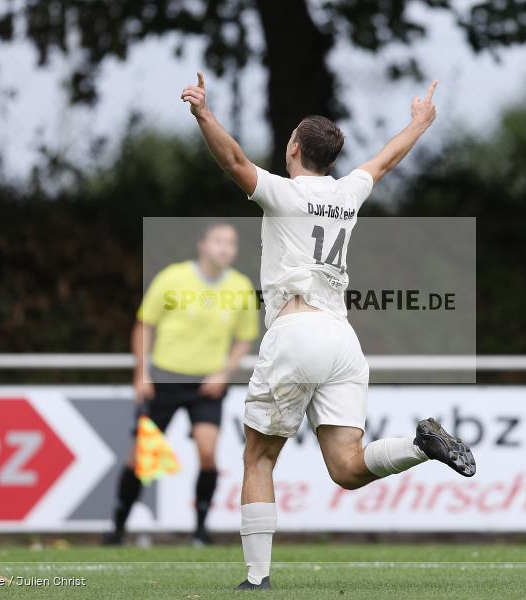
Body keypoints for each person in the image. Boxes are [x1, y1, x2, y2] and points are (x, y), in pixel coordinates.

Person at [180, 72, 476, 590]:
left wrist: (204, 114)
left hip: (295, 333)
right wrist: (419, 122)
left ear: (293, 148)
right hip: (341, 341)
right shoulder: (346, 194)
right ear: (330, 158)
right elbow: (385, 160)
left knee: (258, 456)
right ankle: (421, 446)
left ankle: (257, 578)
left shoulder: (282, 193)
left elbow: (232, 161)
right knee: (347, 468)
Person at [102, 222, 259, 546]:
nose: (224, 248)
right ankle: (116, 528)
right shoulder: (173, 278)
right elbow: (143, 325)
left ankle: (200, 531)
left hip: (207, 385)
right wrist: (141, 373)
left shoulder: (241, 287)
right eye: (218, 240)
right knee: (140, 459)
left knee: (207, 453)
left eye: (230, 242)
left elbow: (244, 339)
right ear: (202, 245)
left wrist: (224, 373)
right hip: (164, 379)